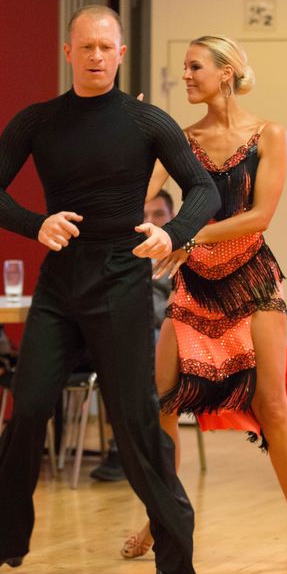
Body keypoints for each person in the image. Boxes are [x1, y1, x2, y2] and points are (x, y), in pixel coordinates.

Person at [0, 5, 220, 574]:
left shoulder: (147, 121)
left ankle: (172, 552)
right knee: (29, 407)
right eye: (86, 47)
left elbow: (203, 189)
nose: (97, 56)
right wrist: (36, 224)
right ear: (68, 53)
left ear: (120, 54)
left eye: (106, 47)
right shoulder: (38, 121)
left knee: (131, 415)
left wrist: (174, 234)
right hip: (60, 281)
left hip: (121, 278)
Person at [121, 35, 287, 572]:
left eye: (195, 67)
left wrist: (187, 236)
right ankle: (162, 516)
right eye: (184, 67)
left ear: (226, 73)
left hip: (251, 280)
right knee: (162, 403)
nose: (185, 76)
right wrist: (130, 137)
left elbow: (259, 216)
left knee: (272, 406)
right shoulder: (180, 139)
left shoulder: (268, 134)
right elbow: (137, 197)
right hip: (194, 282)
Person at [90, 189, 175, 482]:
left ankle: (127, 447)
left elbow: (172, 309)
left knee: (138, 343)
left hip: (159, 331)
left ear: (172, 217)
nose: (150, 221)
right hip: (113, 328)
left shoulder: (178, 256)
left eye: (158, 214)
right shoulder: (118, 253)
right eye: (144, 215)